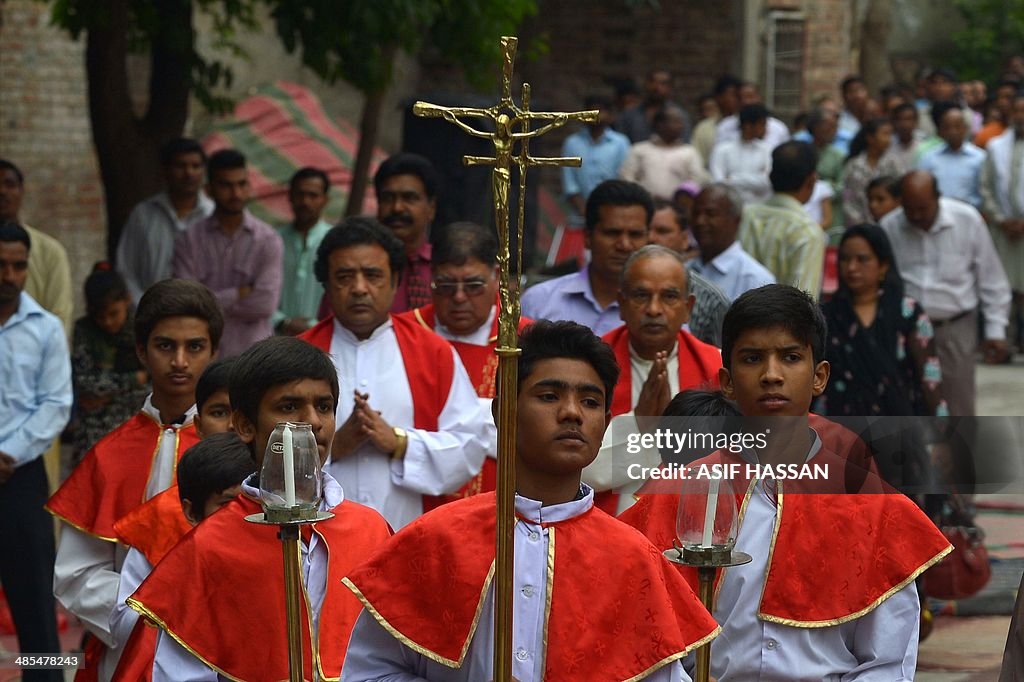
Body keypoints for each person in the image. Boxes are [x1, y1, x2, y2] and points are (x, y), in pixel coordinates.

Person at [340, 320, 720, 681]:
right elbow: (370, 671)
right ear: (503, 411)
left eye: (589, 401)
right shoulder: (435, 538)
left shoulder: (633, 557)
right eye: (549, 396)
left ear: (605, 423)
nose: (571, 412)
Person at [620, 284, 952, 680]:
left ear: (819, 376)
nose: (771, 375)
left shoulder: (867, 502)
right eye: (753, 358)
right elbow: (648, 639)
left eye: (791, 357)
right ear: (726, 380)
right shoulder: (680, 492)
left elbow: (886, 661)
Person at [127, 337, 391, 680]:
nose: (312, 421)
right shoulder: (209, 546)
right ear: (245, 425)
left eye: (324, 406)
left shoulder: (370, 530)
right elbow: (180, 673)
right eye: (288, 406)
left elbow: (395, 658)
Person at [47, 279, 222, 680]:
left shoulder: (238, 450)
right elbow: (76, 574)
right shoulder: (108, 456)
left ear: (213, 352)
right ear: (141, 351)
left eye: (194, 346)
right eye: (165, 346)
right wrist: (147, 611)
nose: (180, 361)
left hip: (219, 644)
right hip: (129, 644)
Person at [299, 217, 493, 529]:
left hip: (408, 532)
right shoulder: (296, 357)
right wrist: (333, 447)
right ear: (326, 284)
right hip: (316, 538)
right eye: (345, 276)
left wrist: (399, 442)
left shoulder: (434, 352)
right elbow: (269, 455)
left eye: (373, 275)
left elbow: (469, 447)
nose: (360, 288)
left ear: (395, 281)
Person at [399, 221, 532, 507]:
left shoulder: (528, 340)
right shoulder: (403, 336)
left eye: (473, 285)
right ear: (430, 278)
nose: (459, 298)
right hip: (419, 505)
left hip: (508, 506)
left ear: (496, 276)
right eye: (446, 286)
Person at [584, 245, 722, 515]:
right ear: (621, 305)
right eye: (641, 295)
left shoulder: (718, 367)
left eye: (669, 296)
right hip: (609, 525)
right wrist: (639, 424)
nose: (654, 309)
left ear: (688, 308)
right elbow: (572, 465)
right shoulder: (587, 365)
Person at [109, 431, 251, 681]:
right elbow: (124, 624)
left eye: (249, 503)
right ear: (191, 511)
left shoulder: (278, 550)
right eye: (226, 504)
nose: (239, 516)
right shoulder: (168, 554)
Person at [0, 221, 71, 682]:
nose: (9, 274)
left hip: (20, 478)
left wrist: (7, 454)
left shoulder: (45, 329)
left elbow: (57, 403)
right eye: (1, 265)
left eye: (18, 266)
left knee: (36, 609)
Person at [881, 171, 1012, 415]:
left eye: (923, 208)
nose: (917, 216)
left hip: (955, 327)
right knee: (907, 403)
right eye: (910, 209)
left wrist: (996, 329)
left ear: (938, 198)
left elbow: (991, 278)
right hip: (906, 330)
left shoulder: (967, 220)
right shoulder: (890, 226)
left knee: (958, 405)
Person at [820, 224, 948, 417]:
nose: (852, 267)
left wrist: (942, 434)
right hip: (840, 430)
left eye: (862, 259)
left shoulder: (907, 312)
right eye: (845, 259)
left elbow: (929, 377)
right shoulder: (826, 315)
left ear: (883, 266)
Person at [173, 148, 283, 358]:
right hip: (202, 357)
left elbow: (265, 304)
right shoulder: (189, 240)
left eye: (242, 184)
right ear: (208, 190)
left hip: (254, 356)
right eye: (226, 185)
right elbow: (185, 302)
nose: (236, 194)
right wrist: (238, 293)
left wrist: (208, 299)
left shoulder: (268, 240)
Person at [522, 179, 653, 336]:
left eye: (635, 234)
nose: (624, 245)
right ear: (588, 237)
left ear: (648, 239)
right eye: (612, 233)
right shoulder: (539, 302)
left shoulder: (659, 312)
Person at [70, 263, 149, 470]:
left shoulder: (143, 328)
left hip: (135, 424)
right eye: (100, 316)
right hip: (93, 429)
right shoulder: (84, 331)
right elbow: (85, 383)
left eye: (114, 313)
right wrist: (133, 380)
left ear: (127, 300)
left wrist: (108, 392)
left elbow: (153, 382)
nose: (107, 322)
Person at [115, 138, 213, 304]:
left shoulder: (213, 215)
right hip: (150, 315)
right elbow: (126, 269)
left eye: (196, 166)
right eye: (181, 166)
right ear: (165, 170)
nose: (189, 173)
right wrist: (144, 307)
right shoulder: (143, 215)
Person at [740, 141, 826, 298]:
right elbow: (804, 302)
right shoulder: (807, 231)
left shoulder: (745, 215)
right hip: (780, 320)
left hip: (736, 317)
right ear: (811, 180)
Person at [0, 159, 73, 335]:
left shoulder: (51, 252)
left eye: (9, 184)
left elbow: (60, 316)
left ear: (21, 191)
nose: (1, 191)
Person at [982, 91, 1024, 354]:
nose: (1021, 117)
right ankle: (1001, 345)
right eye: (1017, 111)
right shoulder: (996, 146)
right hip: (1003, 232)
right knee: (1002, 289)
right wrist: (1002, 219)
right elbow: (984, 188)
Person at [374, 153, 440, 312]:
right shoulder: (358, 270)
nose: (397, 207)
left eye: (409, 198)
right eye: (388, 198)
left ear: (431, 208)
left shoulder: (446, 267)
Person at [688, 183, 775, 301]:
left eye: (711, 214)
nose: (700, 221)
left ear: (736, 220)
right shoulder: (684, 269)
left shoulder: (755, 280)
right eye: (696, 213)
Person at [274, 166, 332, 335]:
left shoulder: (335, 242)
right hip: (277, 338)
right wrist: (284, 322)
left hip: (323, 336)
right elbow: (259, 292)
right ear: (290, 197)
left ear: (325, 200)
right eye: (300, 194)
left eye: (313, 195)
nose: (305, 202)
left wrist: (315, 326)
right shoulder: (273, 240)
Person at [560, 94, 631, 226]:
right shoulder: (572, 143)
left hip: (613, 211)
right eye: (590, 110)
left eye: (600, 111)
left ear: (610, 115)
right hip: (579, 216)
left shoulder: (620, 143)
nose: (594, 115)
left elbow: (622, 178)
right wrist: (585, 210)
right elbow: (569, 182)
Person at [620, 104, 709, 201]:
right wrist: (643, 196)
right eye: (675, 122)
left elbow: (697, 180)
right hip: (644, 203)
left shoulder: (690, 152)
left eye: (680, 122)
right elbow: (627, 177)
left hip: (677, 207)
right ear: (660, 125)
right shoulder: (639, 150)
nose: (680, 126)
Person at [917, 102, 986, 209]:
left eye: (957, 126)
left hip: (970, 214)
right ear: (941, 131)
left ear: (965, 128)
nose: (953, 131)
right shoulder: (929, 158)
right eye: (947, 127)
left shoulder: (979, 157)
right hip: (939, 213)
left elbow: (985, 191)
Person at [841, 117, 903, 225]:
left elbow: (900, 195)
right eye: (885, 134)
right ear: (870, 138)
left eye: (890, 134)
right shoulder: (854, 166)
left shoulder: (895, 164)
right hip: (861, 225)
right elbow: (849, 201)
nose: (889, 139)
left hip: (892, 224)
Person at [708, 103, 773, 205]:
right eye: (762, 124)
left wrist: (732, 179)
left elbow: (767, 182)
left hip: (758, 209)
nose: (766, 130)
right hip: (730, 210)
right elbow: (718, 183)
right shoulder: (722, 150)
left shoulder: (767, 150)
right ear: (748, 126)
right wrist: (755, 180)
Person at [616, 68, 689, 144]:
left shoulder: (679, 116)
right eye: (652, 81)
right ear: (645, 84)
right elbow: (620, 145)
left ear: (670, 88)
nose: (656, 87)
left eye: (663, 83)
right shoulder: (629, 115)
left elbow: (684, 144)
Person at [692, 75, 741, 166]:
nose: (737, 99)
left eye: (739, 96)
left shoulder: (746, 126)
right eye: (733, 95)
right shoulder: (704, 128)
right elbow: (697, 161)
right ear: (719, 97)